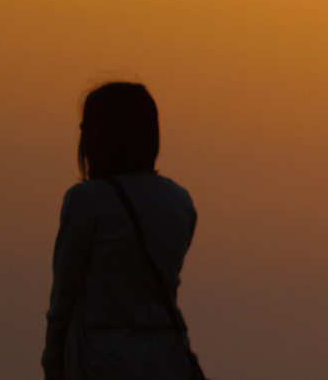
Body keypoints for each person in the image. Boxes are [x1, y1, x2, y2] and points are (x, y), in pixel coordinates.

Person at [42, 82, 206, 380]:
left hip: (102, 362)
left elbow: (62, 302)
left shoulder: (86, 201)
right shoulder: (179, 201)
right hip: (168, 361)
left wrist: (52, 364)